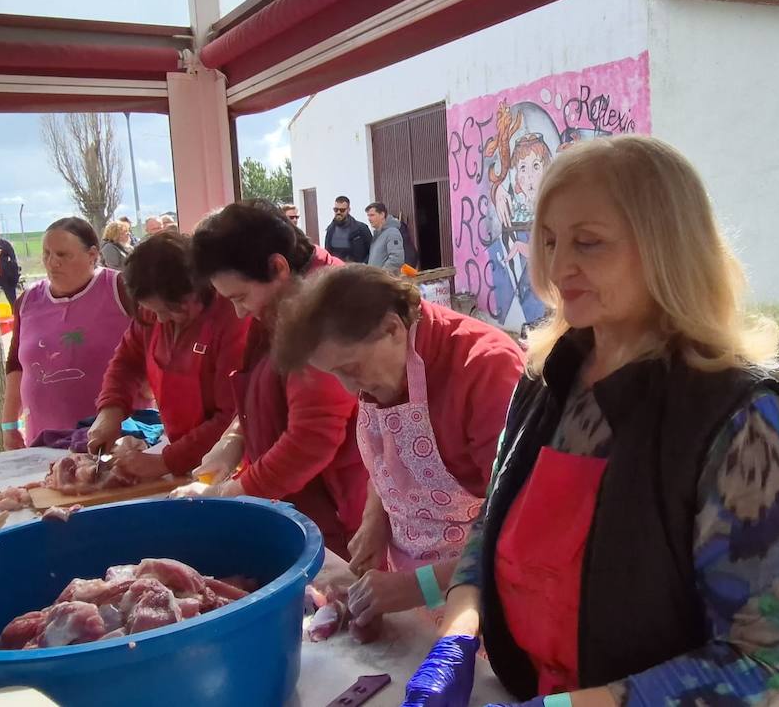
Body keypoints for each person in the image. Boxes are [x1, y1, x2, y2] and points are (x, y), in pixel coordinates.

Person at [403, 136, 779, 707]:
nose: (558, 268)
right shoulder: (545, 380)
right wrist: (457, 635)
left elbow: (764, 665)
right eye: (550, 241)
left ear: (668, 249)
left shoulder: (742, 423)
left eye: (589, 243)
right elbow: (490, 528)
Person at [274, 265, 524, 630]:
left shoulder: (486, 369)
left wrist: (416, 586)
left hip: (478, 599)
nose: (348, 389)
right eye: (335, 374)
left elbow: (520, 536)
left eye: (352, 368)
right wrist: (377, 519)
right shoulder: (383, 367)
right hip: (407, 585)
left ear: (393, 328)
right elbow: (393, 455)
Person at [176, 199, 369, 558]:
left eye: (241, 297)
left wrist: (233, 492)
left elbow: (311, 438)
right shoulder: (280, 302)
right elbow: (262, 387)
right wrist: (234, 438)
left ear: (278, 266)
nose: (239, 311)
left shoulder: (326, 310)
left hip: (344, 514)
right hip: (306, 504)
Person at [87, 232, 249, 481]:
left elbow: (231, 415)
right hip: (180, 457)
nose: (160, 319)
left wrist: (166, 462)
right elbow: (127, 362)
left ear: (200, 287)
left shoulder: (231, 319)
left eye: (172, 310)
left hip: (228, 464)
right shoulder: (151, 314)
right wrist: (110, 410)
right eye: (154, 310)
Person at [1, 218, 136, 450]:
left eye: (63, 255)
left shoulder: (120, 289)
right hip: (44, 441)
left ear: (92, 255)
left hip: (114, 438)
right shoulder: (27, 301)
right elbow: (16, 365)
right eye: (46, 254)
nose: (52, 263)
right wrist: (9, 426)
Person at [324, 196, 371, 264]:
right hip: (336, 271)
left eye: (342, 210)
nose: (338, 212)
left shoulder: (361, 229)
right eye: (336, 209)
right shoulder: (330, 230)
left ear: (348, 210)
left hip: (357, 271)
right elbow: (327, 253)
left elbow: (372, 251)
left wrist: (363, 266)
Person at [0, 222, 22, 307]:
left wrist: (13, 274)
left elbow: (13, 259)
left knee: (13, 302)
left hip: (6, 277)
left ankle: (16, 318)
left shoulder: (4, 244)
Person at [364, 202, 405, 274]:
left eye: (372, 215)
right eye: (368, 216)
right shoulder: (377, 236)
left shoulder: (392, 232)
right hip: (376, 280)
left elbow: (396, 259)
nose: (369, 219)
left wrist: (382, 274)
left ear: (382, 215)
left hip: (385, 281)